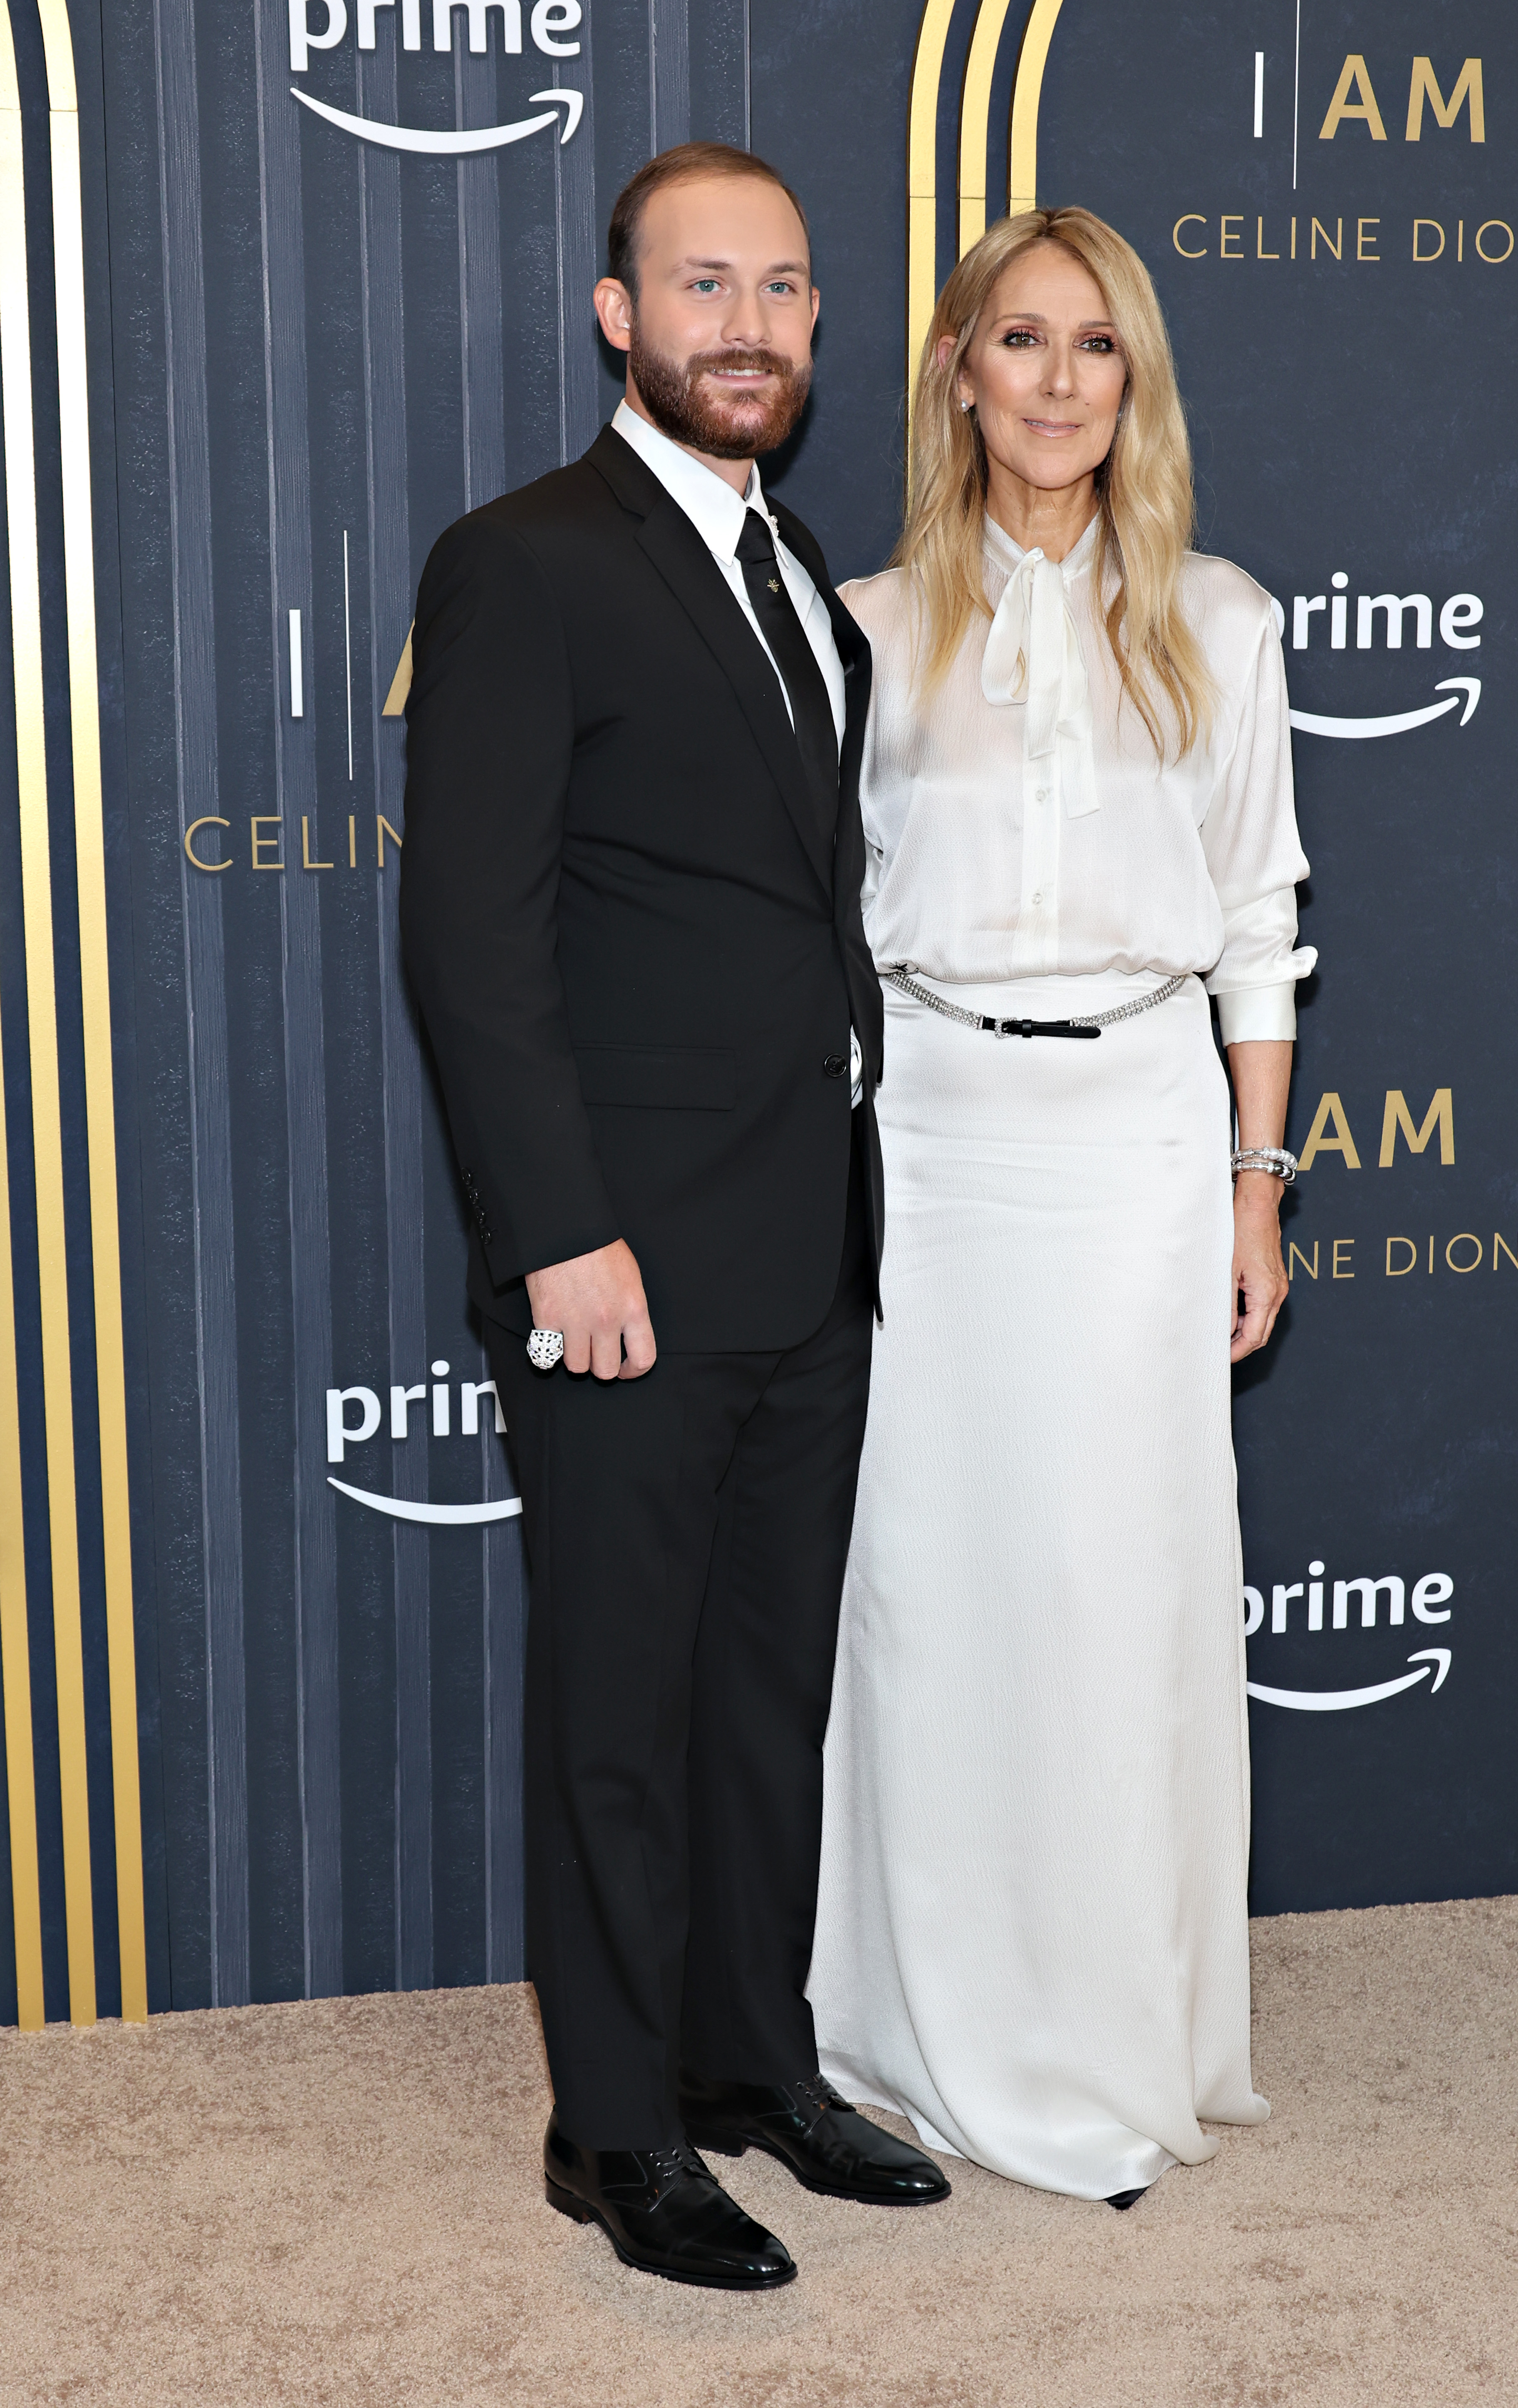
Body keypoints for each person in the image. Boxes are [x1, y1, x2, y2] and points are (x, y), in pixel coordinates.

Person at [400, 141, 948, 2293]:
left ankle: (753, 2066)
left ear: (821, 330)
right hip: (621, 1258)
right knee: (622, 1712)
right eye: (703, 284)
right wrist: (561, 1237)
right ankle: (614, 2134)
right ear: (618, 314)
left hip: (810, 1247)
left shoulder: (803, 567)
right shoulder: (524, 561)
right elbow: (474, 937)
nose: (751, 324)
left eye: (787, 289)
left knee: (760, 1697)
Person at [808, 206, 1315, 2206]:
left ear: (1134, 384)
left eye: (1094, 347)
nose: (1053, 380)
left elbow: (1260, 930)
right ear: (956, 370)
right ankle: (910, 2034)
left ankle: (1112, 2041)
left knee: (1113, 1588)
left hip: (1137, 1141)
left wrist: (1253, 1193)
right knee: (929, 1594)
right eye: (1017, 339)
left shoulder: (1228, 622)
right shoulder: (855, 629)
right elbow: (817, 932)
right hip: (920, 1132)